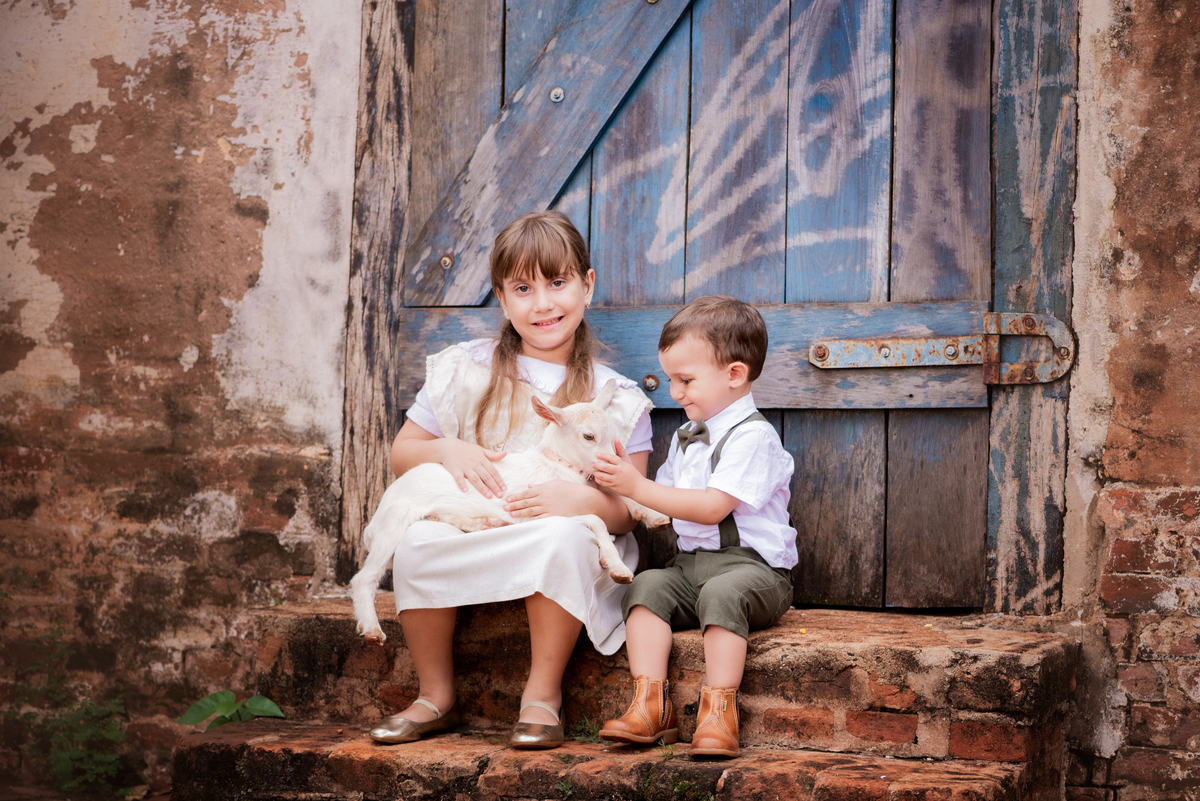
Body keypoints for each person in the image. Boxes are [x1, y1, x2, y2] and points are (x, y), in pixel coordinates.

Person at [369, 210, 654, 750]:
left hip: (564, 532)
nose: (542, 303)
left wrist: (580, 499)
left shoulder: (614, 398)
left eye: (558, 282)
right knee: (417, 540)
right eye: (522, 288)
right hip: (479, 522)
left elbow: (631, 505)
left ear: (587, 286)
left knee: (563, 537)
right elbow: (402, 454)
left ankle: (542, 696)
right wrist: (446, 448)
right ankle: (435, 695)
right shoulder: (464, 369)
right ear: (501, 299)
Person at [591, 295, 797, 759]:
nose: (675, 392)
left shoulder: (753, 437)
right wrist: (616, 480)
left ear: (735, 374)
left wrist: (636, 487)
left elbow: (709, 508)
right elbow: (661, 507)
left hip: (755, 573)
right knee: (645, 588)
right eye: (670, 380)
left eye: (685, 380)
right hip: (692, 567)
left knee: (721, 595)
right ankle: (650, 705)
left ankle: (719, 714)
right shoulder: (688, 438)